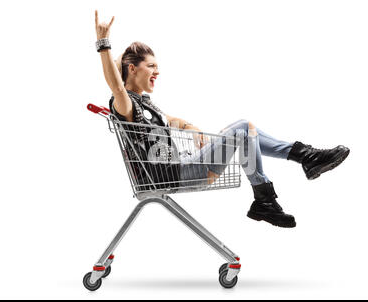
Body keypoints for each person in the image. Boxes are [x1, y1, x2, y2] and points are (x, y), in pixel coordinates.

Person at [94, 11, 350, 228]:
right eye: (151, 66)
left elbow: (175, 121)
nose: (157, 71)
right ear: (132, 69)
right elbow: (117, 87)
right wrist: (103, 42)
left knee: (245, 130)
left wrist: (192, 129)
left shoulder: (146, 105)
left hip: (184, 164)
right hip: (178, 173)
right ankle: (278, 184)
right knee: (243, 129)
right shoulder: (126, 105)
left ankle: (289, 173)